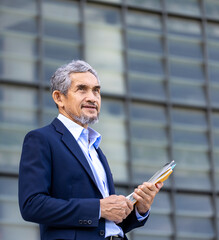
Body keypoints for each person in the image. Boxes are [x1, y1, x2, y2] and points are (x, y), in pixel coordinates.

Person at [18, 60, 163, 240]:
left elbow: (108, 223)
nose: (92, 97)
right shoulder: (41, 139)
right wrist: (98, 208)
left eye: (96, 90)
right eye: (82, 89)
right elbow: (32, 205)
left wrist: (141, 209)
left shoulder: (95, 149)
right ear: (59, 98)